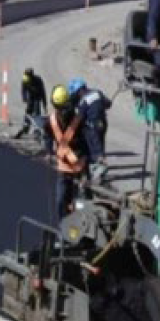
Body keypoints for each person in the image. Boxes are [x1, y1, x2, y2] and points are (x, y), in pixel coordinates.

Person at [44, 84, 88, 218]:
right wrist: (49, 151)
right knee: (62, 201)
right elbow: (48, 136)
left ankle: (74, 228)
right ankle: (63, 227)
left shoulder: (77, 120)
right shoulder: (51, 122)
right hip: (65, 168)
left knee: (79, 204)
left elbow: (86, 142)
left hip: (79, 169)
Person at [69, 78, 112, 182]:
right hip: (103, 124)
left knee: (94, 149)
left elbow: (80, 117)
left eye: (75, 94)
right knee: (100, 146)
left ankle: (99, 171)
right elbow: (108, 104)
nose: (76, 96)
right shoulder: (98, 92)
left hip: (92, 127)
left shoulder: (83, 101)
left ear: (79, 90)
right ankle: (100, 167)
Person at [14, 67, 47, 139]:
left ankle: (37, 130)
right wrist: (24, 98)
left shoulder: (38, 80)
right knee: (27, 113)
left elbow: (43, 92)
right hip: (30, 98)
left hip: (37, 98)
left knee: (37, 115)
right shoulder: (25, 80)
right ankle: (25, 128)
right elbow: (23, 90)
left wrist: (45, 104)